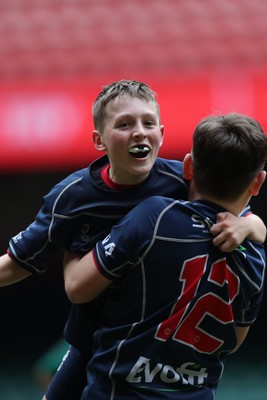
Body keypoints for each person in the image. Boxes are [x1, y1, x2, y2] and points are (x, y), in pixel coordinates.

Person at [0, 81, 265, 400]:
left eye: (148, 123)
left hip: (146, 344)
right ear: (99, 140)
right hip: (91, 340)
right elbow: (18, 263)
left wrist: (247, 227)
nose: (139, 132)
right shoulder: (70, 198)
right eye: (125, 124)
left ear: (162, 135)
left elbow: (238, 209)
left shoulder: (179, 181)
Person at [64, 113, 267, 400]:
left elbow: (77, 288)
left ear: (187, 167)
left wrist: (69, 235)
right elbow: (233, 342)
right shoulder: (256, 258)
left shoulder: (155, 216)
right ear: (258, 183)